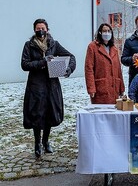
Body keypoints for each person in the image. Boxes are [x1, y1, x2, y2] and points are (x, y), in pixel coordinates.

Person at [21, 18, 76, 158]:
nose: (41, 31)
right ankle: (37, 143)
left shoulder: (53, 44)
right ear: (34, 30)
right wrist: (41, 62)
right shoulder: (29, 45)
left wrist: (68, 69)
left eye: (43, 28)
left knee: (50, 113)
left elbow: (71, 56)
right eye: (38, 28)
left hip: (52, 84)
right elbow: (24, 64)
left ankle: (46, 141)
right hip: (36, 85)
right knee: (37, 114)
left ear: (47, 29)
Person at [85, 23, 125, 104]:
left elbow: (118, 70)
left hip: (114, 88)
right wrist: (91, 88)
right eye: (104, 31)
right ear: (100, 33)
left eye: (108, 31)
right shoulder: (92, 47)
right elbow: (89, 68)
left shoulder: (114, 49)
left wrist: (121, 88)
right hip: (100, 88)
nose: (107, 33)